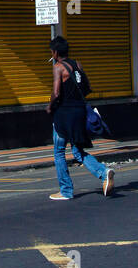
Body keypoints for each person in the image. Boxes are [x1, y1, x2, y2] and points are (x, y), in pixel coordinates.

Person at [46, 35, 113, 200]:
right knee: (77, 150)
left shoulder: (58, 67)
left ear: (55, 53)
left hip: (64, 114)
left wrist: (49, 106)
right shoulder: (77, 64)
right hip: (79, 112)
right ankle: (103, 173)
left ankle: (66, 190)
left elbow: (56, 92)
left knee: (59, 152)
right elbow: (87, 87)